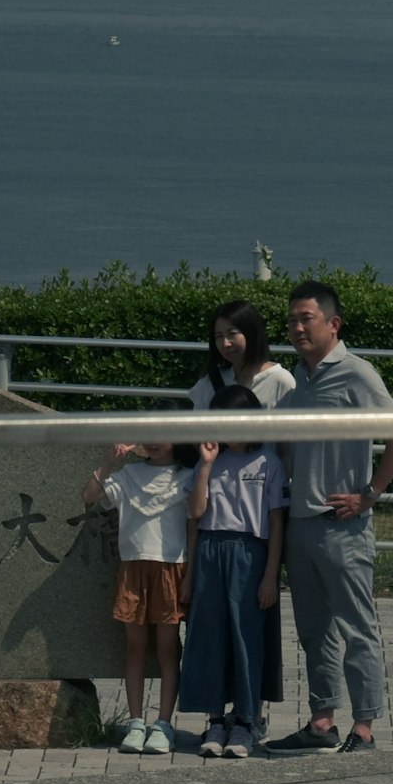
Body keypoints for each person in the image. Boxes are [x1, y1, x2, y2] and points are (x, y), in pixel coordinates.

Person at [268, 282, 393, 755]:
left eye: (306, 318)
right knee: (313, 632)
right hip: (301, 525)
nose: (297, 327)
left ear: (333, 324)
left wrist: (370, 495)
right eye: (291, 320)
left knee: (356, 628)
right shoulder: (298, 381)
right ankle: (322, 721)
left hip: (341, 527)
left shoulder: (355, 374)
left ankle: (365, 727)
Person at [178, 303, 289, 757]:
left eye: (234, 334)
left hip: (250, 553)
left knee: (248, 635)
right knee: (209, 635)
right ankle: (216, 717)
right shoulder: (210, 388)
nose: (226, 343)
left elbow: (275, 520)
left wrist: (271, 574)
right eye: (219, 335)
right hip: (209, 551)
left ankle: (248, 717)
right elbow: (195, 513)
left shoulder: (279, 386)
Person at [95, 433, 193, 753]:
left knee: (167, 649)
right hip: (133, 567)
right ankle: (136, 723)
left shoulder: (186, 476)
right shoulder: (129, 474)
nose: (153, 441)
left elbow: (196, 523)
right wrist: (111, 462)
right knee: (135, 648)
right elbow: (89, 496)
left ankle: (163, 724)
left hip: (170, 567)